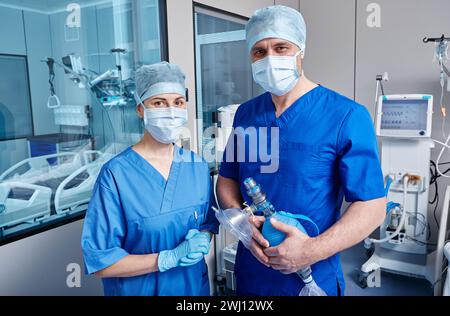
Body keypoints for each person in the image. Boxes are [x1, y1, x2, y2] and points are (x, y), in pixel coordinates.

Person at [217, 5, 387, 296]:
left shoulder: (345, 115)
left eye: (281, 47)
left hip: (311, 273)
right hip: (253, 269)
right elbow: (228, 178)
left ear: (301, 51)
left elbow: (371, 207)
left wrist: (309, 251)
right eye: (259, 51)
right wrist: (245, 226)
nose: (270, 58)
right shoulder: (246, 114)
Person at [81, 62, 218, 296]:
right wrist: (168, 258)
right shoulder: (116, 175)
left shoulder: (196, 166)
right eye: (159, 103)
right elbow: (100, 261)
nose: (171, 110)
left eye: (178, 102)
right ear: (140, 109)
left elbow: (206, 222)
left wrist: (203, 238)